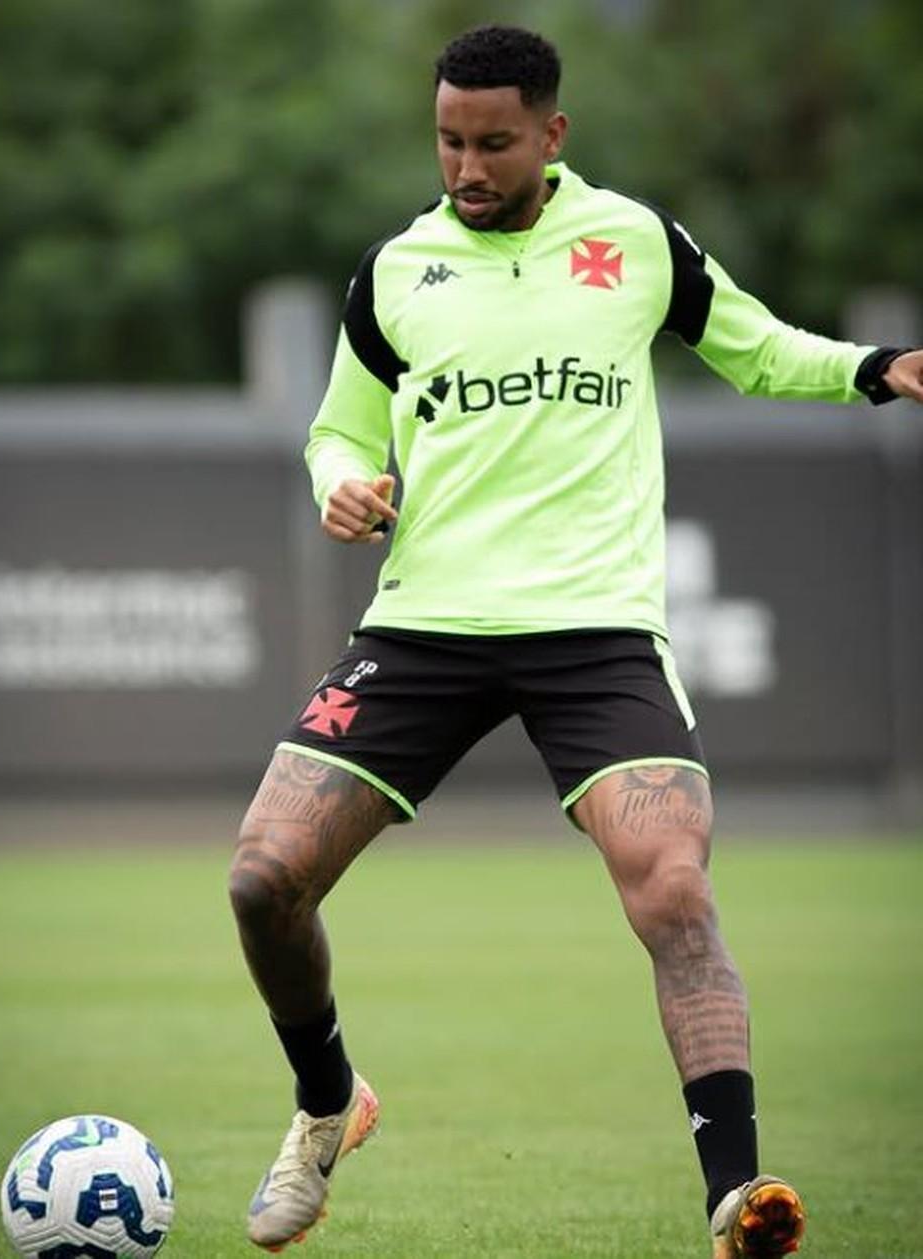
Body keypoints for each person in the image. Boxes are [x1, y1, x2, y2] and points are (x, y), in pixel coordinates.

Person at [228, 24, 923, 1258]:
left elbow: (757, 349)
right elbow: (340, 430)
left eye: (493, 143)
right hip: (426, 621)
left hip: (596, 627)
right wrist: (341, 480)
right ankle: (330, 1102)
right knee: (263, 878)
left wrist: (877, 367)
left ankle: (737, 1194)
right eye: (448, 139)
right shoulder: (394, 272)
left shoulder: (635, 243)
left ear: (552, 134)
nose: (465, 166)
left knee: (675, 886)